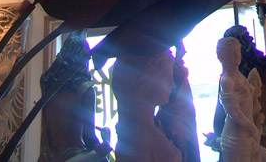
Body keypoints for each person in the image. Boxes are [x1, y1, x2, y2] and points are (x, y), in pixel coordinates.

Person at [209, 2, 266, 162]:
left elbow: (219, 120)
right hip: (265, 136)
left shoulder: (229, 78)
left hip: (248, 138)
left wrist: (219, 141)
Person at [38, 33, 111, 162]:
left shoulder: (47, 84)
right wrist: (106, 142)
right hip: (75, 158)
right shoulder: (85, 90)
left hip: (46, 158)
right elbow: (89, 138)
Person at [111, 46, 181, 162]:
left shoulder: (137, 132)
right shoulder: (141, 140)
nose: (172, 85)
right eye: (168, 78)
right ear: (146, 83)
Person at [216, 36, 263, 162]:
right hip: (235, 137)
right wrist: (253, 129)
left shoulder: (239, 75)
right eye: (232, 53)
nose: (237, 56)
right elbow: (234, 113)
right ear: (223, 57)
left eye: (238, 52)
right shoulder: (227, 81)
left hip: (246, 133)